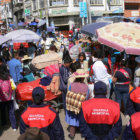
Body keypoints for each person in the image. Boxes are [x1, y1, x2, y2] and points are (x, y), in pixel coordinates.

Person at [66, 69, 89, 139]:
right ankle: (82, 133)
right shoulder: (86, 86)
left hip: (73, 105)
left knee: (72, 119)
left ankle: (72, 135)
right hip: (82, 106)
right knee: (82, 120)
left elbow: (69, 93)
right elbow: (87, 97)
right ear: (83, 78)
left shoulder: (72, 85)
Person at [0, 64, 17, 131]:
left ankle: (4, 123)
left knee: (2, 111)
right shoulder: (9, 77)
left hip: (1, 98)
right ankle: (14, 126)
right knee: (11, 112)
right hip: (10, 97)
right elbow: (14, 87)